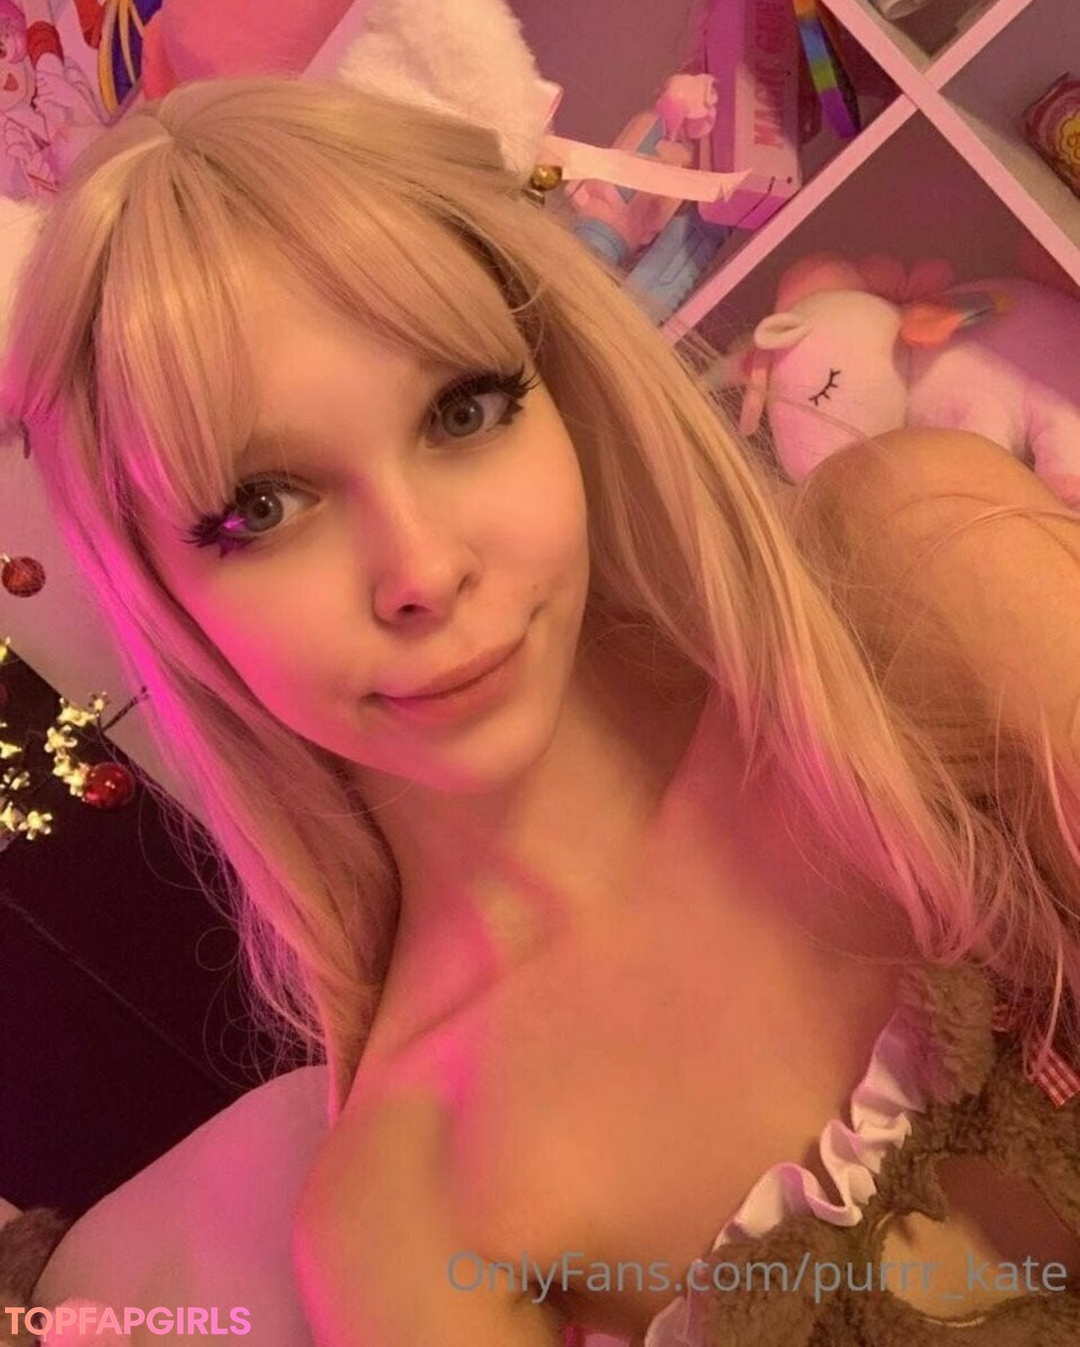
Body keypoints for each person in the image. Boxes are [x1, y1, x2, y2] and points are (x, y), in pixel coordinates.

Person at [2, 74, 1078, 1347]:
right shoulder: (408, 1213)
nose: (422, 568)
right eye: (264, 507)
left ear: (562, 384)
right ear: (169, 603)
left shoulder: (920, 571)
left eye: (463, 409)